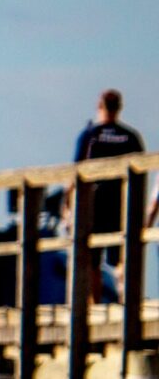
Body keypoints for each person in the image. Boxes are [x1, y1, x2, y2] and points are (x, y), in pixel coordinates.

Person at [70, 89, 148, 299]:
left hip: (95, 205)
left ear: (99, 106)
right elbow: (141, 173)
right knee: (122, 257)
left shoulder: (90, 136)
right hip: (123, 205)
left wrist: (68, 207)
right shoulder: (131, 137)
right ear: (119, 108)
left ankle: (96, 306)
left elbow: (75, 174)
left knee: (92, 260)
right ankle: (126, 301)